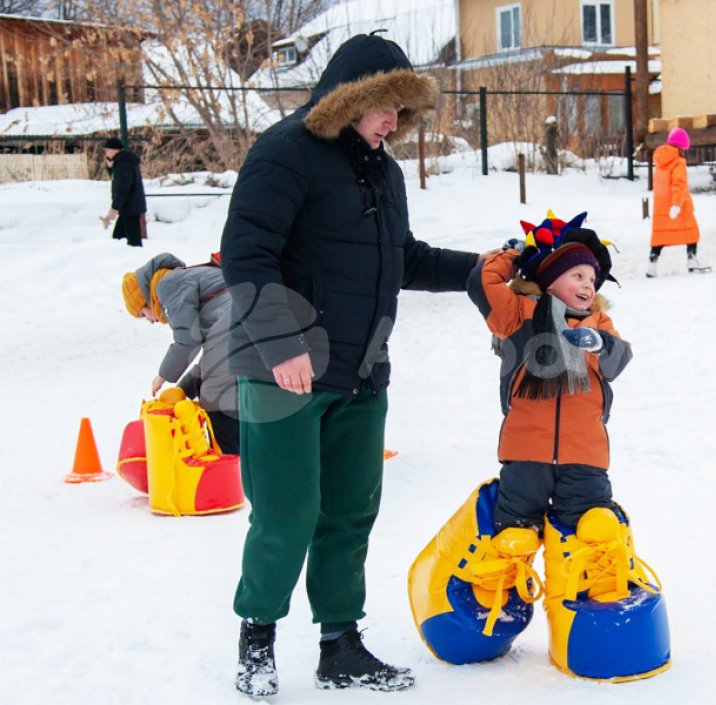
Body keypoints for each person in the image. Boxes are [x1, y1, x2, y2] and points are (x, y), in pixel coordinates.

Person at [219, 32, 483, 697]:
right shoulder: (284, 152)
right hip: (284, 371)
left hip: (362, 371)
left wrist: (484, 271)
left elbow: (406, 259)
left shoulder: (384, 171)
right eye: (386, 105)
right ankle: (258, 637)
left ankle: (340, 643)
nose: (395, 121)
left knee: (349, 511)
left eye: (403, 109)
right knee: (286, 512)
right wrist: (280, 346)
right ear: (350, 96)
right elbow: (247, 254)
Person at [467, 216, 633, 536]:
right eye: (577, 275)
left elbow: (619, 360)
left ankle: (596, 585)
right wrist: (515, 258)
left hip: (585, 455)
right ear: (551, 279)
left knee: (592, 531)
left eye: (592, 278)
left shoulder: (598, 322)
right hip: (526, 452)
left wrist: (600, 343)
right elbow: (481, 281)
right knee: (514, 535)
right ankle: (501, 583)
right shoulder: (517, 316)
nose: (588, 284)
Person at [121, 252, 239, 454]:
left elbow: (188, 341)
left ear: (145, 299)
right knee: (225, 392)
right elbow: (210, 359)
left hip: (237, 325)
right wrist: (184, 389)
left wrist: (163, 375)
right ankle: (241, 463)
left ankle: (231, 468)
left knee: (216, 397)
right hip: (247, 323)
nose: (150, 320)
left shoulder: (167, 285)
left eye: (143, 314)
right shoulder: (181, 278)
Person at [647, 128, 708, 277]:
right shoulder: (678, 162)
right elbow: (679, 184)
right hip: (679, 206)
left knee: (659, 236)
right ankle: (692, 260)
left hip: (661, 208)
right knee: (691, 232)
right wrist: (677, 204)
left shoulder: (660, 163)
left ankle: (652, 265)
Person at [99, 137, 147, 247]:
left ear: (114, 150)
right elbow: (118, 179)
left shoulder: (123, 163)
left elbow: (122, 188)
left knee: (132, 241)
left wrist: (114, 208)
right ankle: (126, 256)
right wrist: (111, 167)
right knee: (119, 237)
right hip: (129, 207)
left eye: (107, 150)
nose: (106, 153)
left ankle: (134, 257)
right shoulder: (124, 161)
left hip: (129, 207)